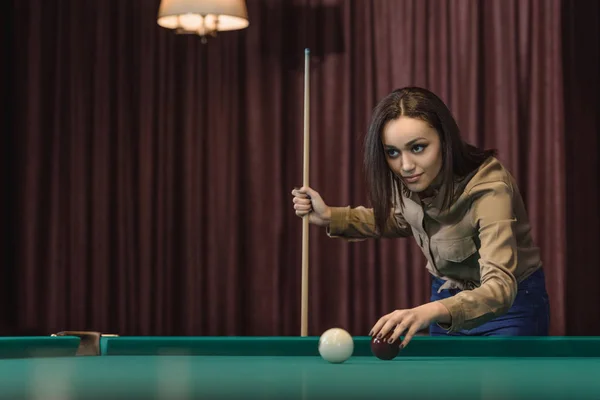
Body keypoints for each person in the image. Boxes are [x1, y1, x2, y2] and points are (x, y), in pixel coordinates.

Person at [291, 86, 550, 348]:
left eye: (418, 148)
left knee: (499, 390)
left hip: (509, 308)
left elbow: (499, 289)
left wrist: (426, 312)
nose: (405, 165)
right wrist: (329, 217)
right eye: (392, 152)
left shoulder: (489, 188)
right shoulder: (411, 178)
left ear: (445, 140)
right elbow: (403, 220)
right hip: (446, 299)